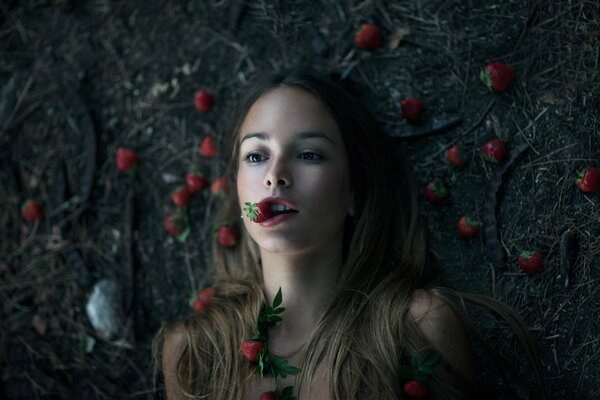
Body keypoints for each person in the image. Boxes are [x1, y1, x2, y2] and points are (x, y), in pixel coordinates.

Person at [153, 70, 545, 399]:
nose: (275, 174)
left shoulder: (416, 331)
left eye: (309, 154)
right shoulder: (193, 356)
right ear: (238, 188)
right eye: (256, 156)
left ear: (351, 192)